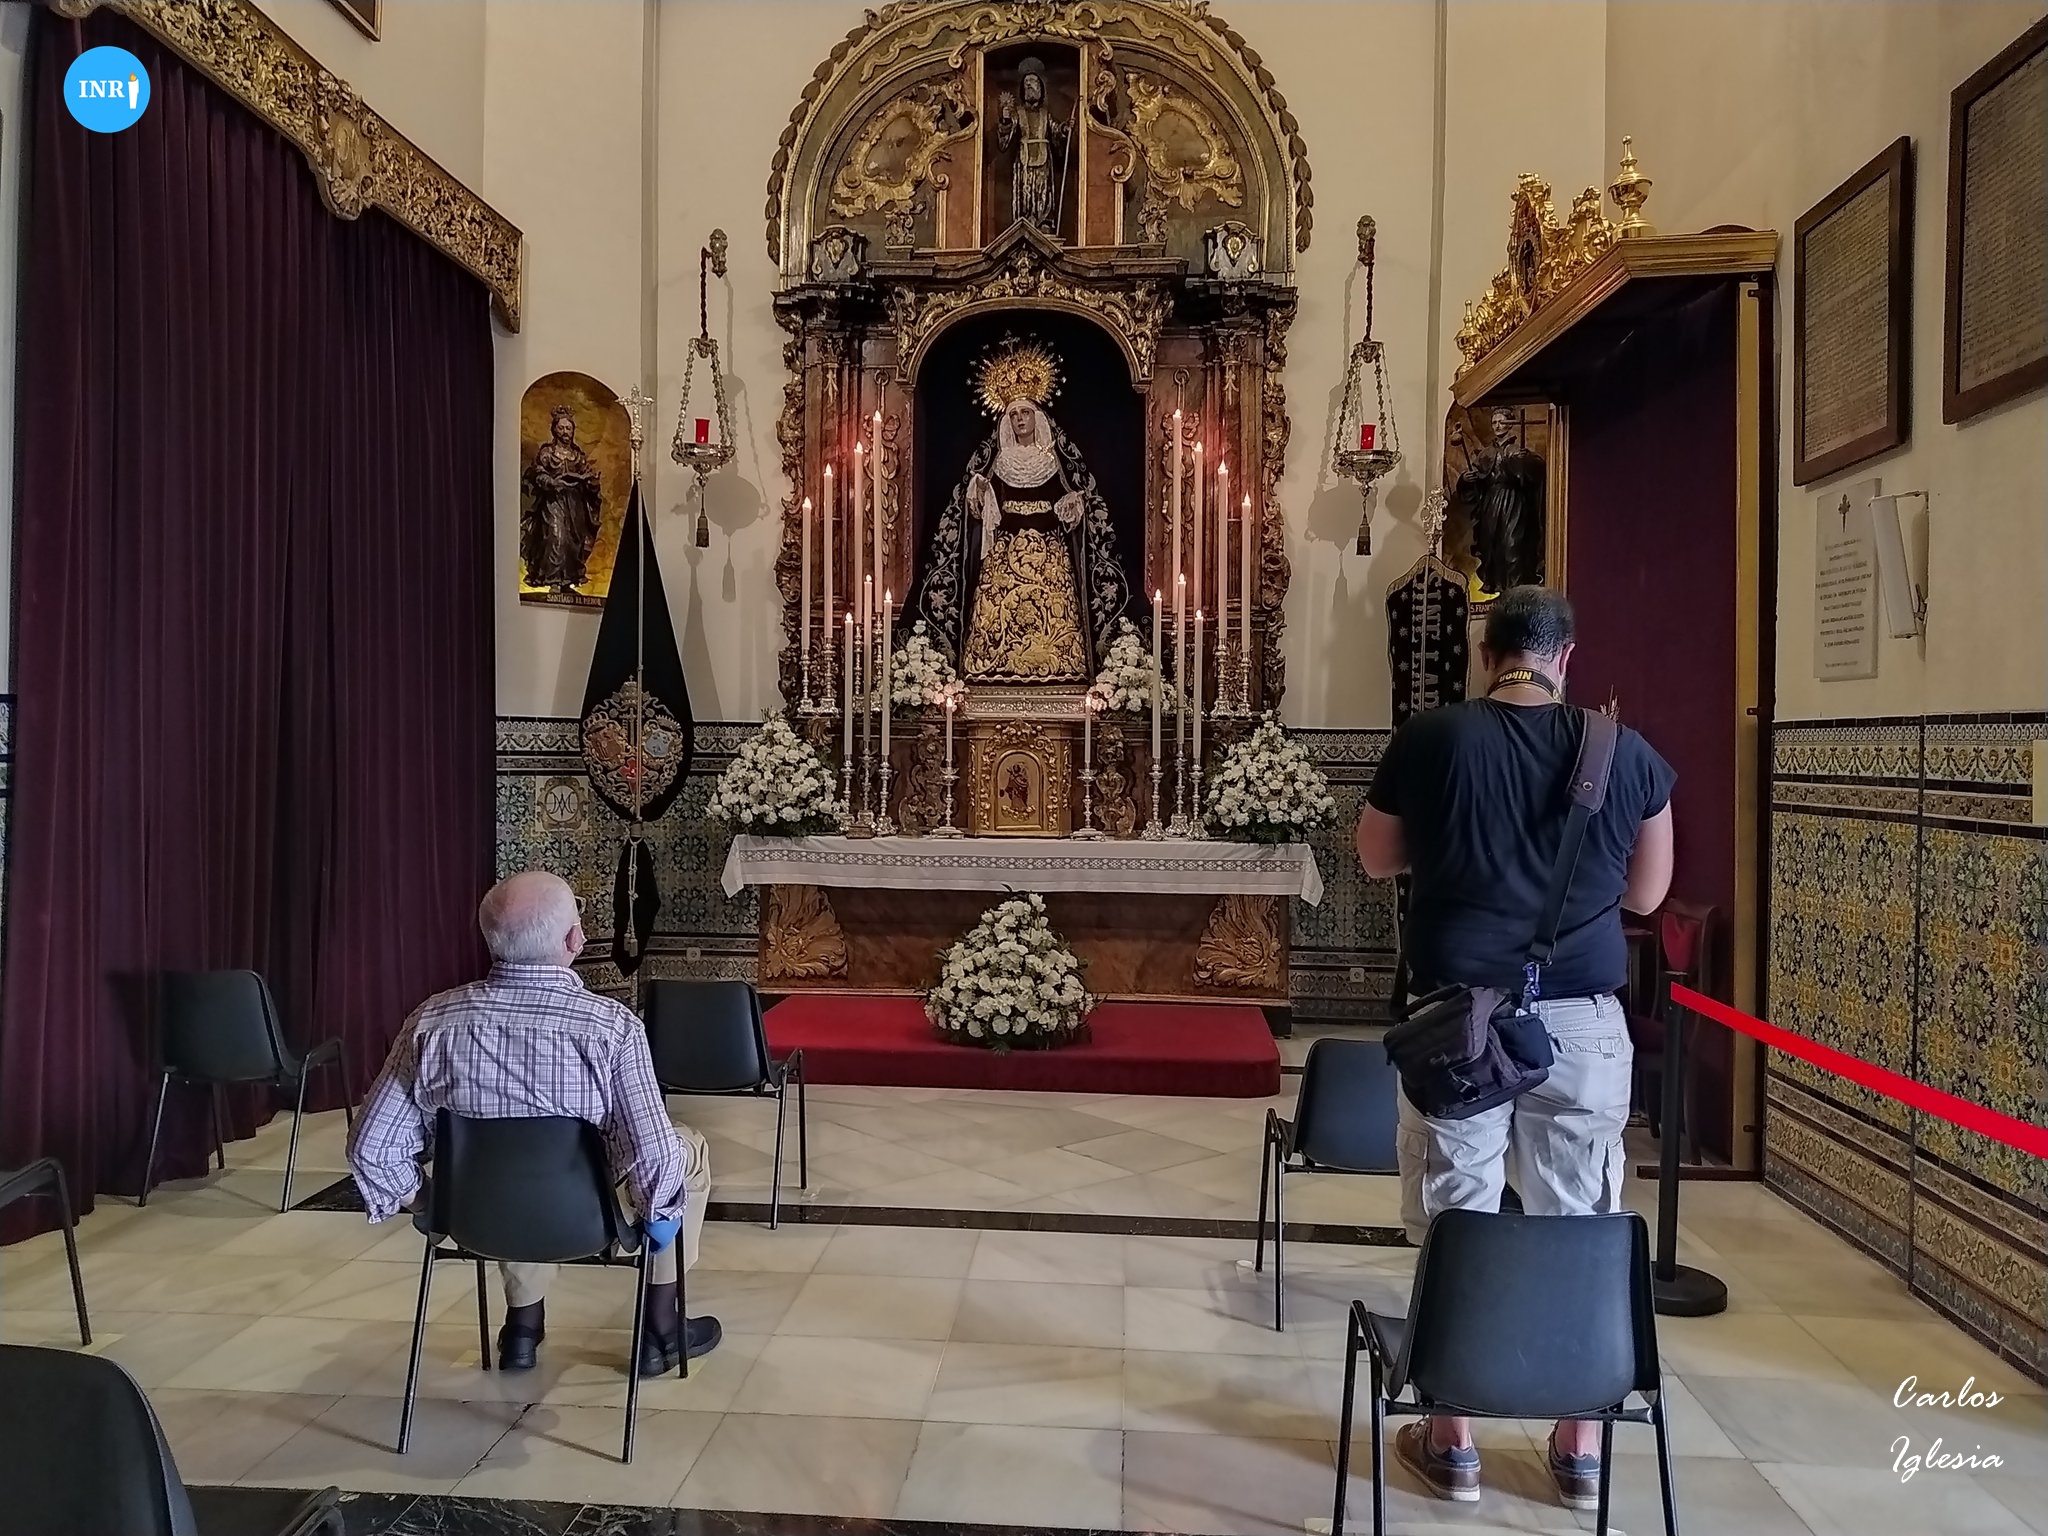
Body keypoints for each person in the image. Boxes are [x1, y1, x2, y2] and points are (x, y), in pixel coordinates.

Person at [1355, 585, 1673, 1512]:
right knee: (1577, 1219)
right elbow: (1648, 894)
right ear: (1566, 658)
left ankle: (1451, 1437)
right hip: (1580, 1021)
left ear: (1485, 653)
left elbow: (1376, 857)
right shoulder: (1626, 752)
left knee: (1456, 1211)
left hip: (1462, 1019)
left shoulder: (1433, 737)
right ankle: (1580, 1447)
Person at [346, 871, 718, 1376]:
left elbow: (370, 1147)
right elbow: (653, 1155)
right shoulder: (611, 1028)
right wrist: (658, 1217)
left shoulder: (431, 1021)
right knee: (684, 1151)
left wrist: (432, 1205)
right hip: (588, 1215)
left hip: (478, 1215)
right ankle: (661, 1327)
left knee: (506, 1159)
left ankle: (522, 1326)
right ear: (574, 940)